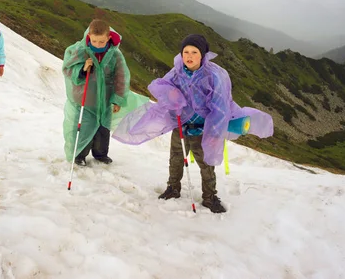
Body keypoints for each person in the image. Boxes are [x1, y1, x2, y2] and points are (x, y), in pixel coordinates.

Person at [113, 34, 274, 213]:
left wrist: (214, 135)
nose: (189, 56)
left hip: (203, 130)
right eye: (186, 52)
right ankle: (173, 188)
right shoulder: (177, 72)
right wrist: (171, 94)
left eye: (194, 52)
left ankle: (210, 197)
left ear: (203, 55)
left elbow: (220, 108)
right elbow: (162, 85)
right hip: (181, 126)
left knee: (206, 165)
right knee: (175, 160)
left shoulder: (213, 76)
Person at [61, 19, 131, 166]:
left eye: (101, 42)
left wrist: (117, 99)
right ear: (89, 37)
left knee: (102, 128)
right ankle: (79, 154)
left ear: (108, 38)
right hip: (85, 98)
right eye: (94, 41)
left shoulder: (115, 55)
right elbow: (67, 69)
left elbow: (121, 77)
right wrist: (83, 69)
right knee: (84, 126)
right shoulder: (81, 50)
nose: (97, 45)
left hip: (104, 99)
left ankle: (101, 154)